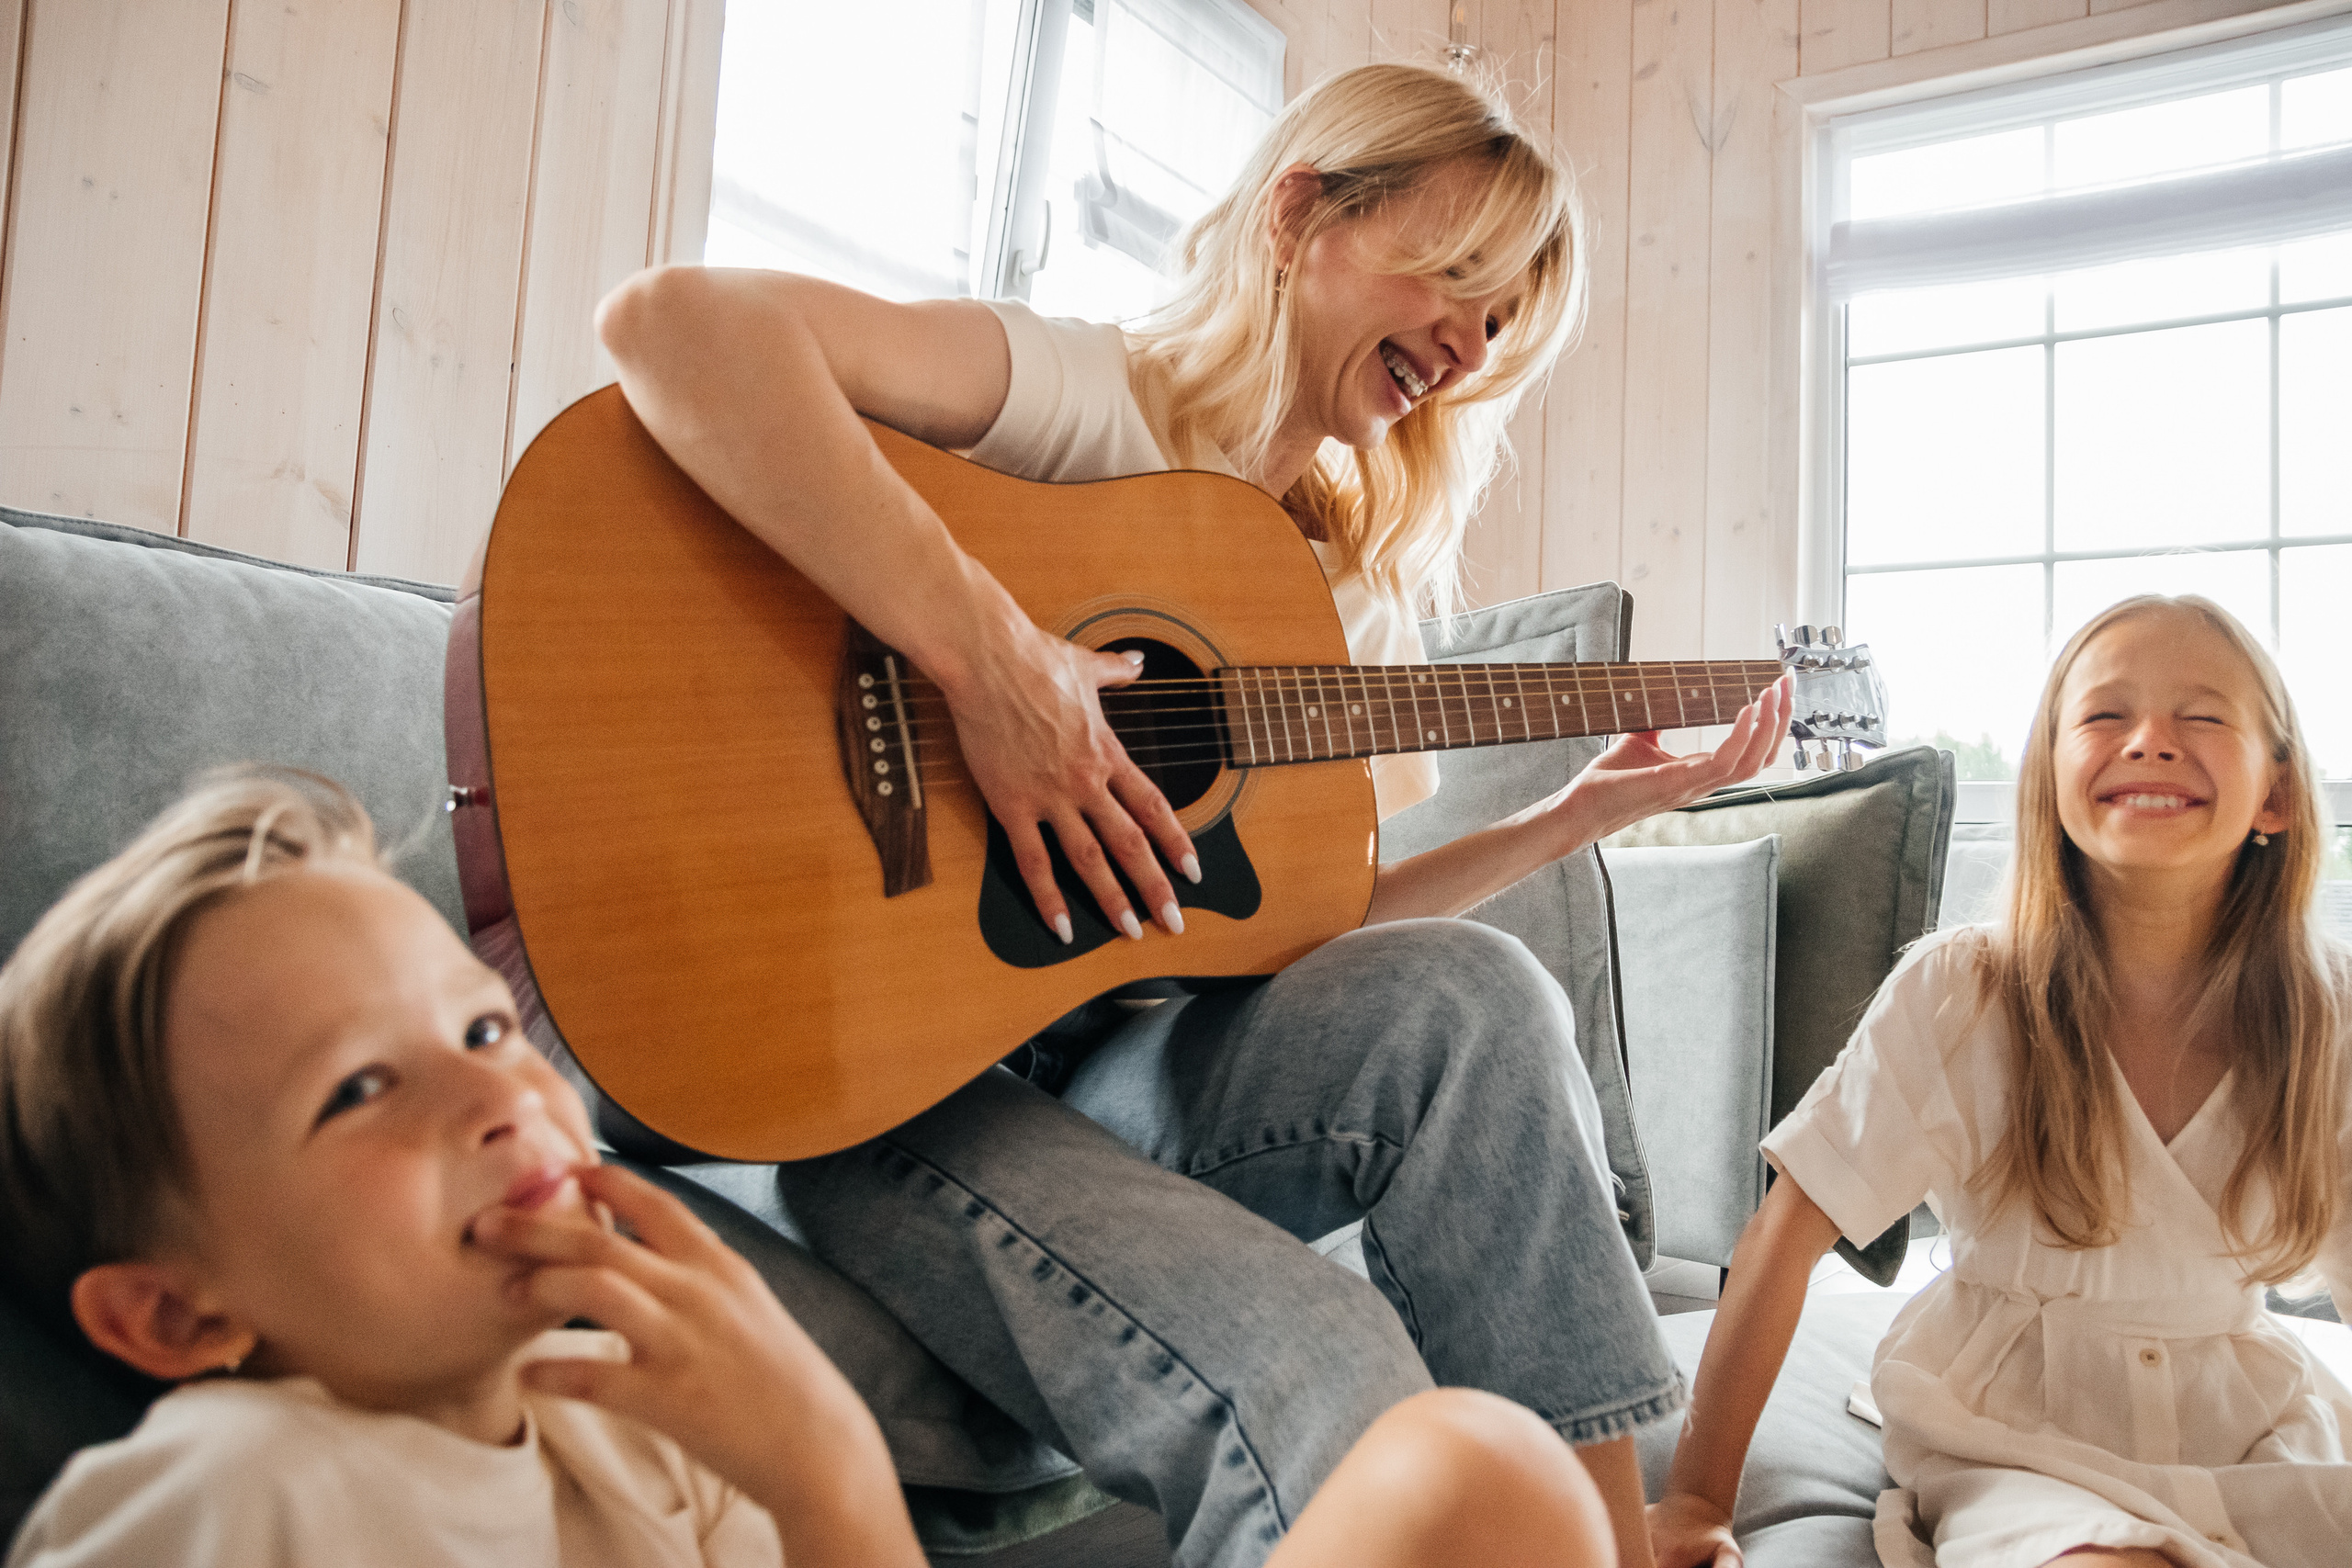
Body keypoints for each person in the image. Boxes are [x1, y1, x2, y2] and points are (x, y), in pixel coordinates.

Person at [595, 60, 1792, 1568]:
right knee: (1338, 1383)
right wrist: (992, 664)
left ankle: (1606, 1536)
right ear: (1300, 212)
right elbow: (676, 328)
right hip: (887, 1072)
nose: (1474, 342)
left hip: (1127, 1068)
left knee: (1481, 989)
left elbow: (1310, 936)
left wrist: (1570, 817)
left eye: (1503, 322)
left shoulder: (1344, 591)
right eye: (1461, 277)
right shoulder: (1086, 395)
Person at [0, 769, 1622, 1568]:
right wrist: (828, 1467)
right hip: (881, 1115)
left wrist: (806, 1465)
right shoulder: (230, 1489)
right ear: (171, 1313)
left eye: (490, 1033)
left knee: (1487, 1468)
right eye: (359, 1086)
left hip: (1104, 1067)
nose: (496, 1104)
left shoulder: (654, 1427)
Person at [1648, 595, 2352, 1568]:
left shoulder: (2330, 1015)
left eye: (2201, 717)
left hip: (2253, 1432)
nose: (2149, 740)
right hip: (2021, 1435)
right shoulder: (1960, 992)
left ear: (2275, 794)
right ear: (2049, 783)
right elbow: (1784, 1236)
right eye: (2105, 717)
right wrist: (1694, 1497)